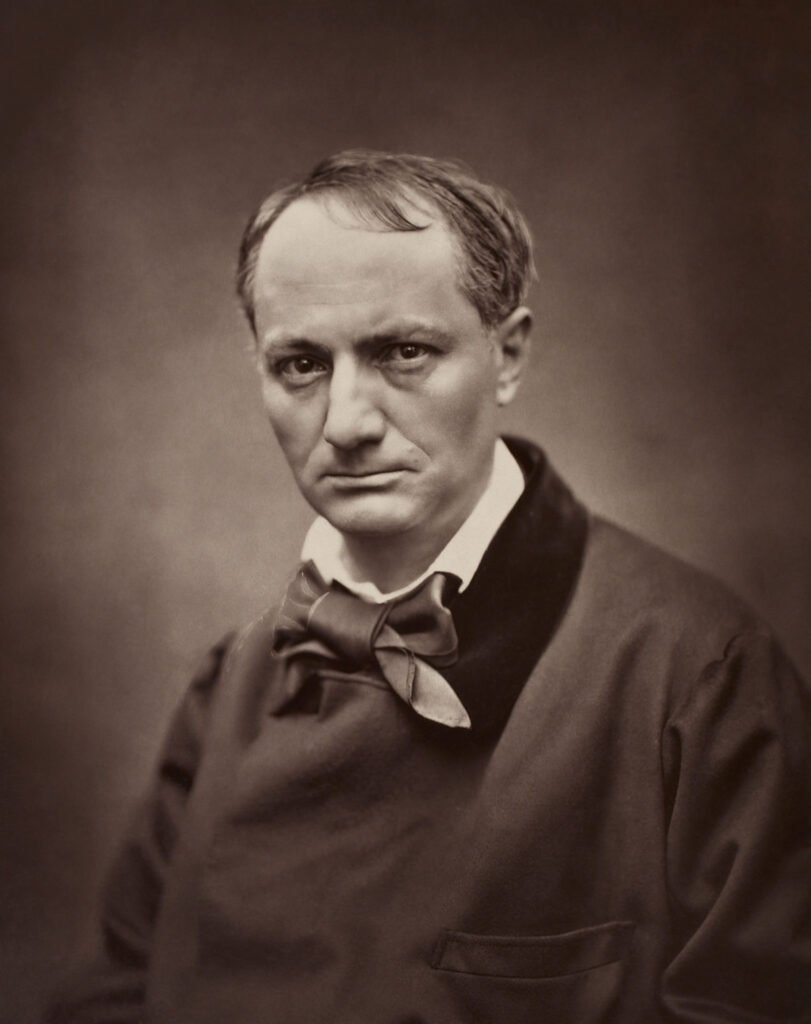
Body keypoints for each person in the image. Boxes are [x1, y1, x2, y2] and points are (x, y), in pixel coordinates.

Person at [47, 151, 810, 1023]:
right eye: (300, 364)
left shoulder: (699, 672)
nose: (346, 423)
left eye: (403, 352)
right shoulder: (229, 684)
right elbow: (111, 996)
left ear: (507, 356)